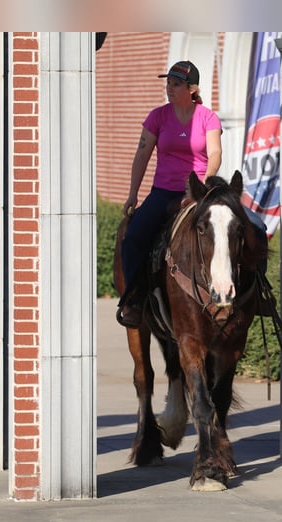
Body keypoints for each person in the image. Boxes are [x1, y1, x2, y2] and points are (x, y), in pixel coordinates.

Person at [117, 60, 224, 328]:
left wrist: (203, 184)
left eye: (176, 84)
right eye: (168, 83)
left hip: (197, 193)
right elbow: (142, 154)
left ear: (192, 89)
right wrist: (133, 193)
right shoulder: (158, 116)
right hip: (163, 192)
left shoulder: (208, 118)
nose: (169, 88)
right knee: (132, 238)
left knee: (233, 230)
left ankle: (240, 294)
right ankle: (135, 300)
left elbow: (215, 153)